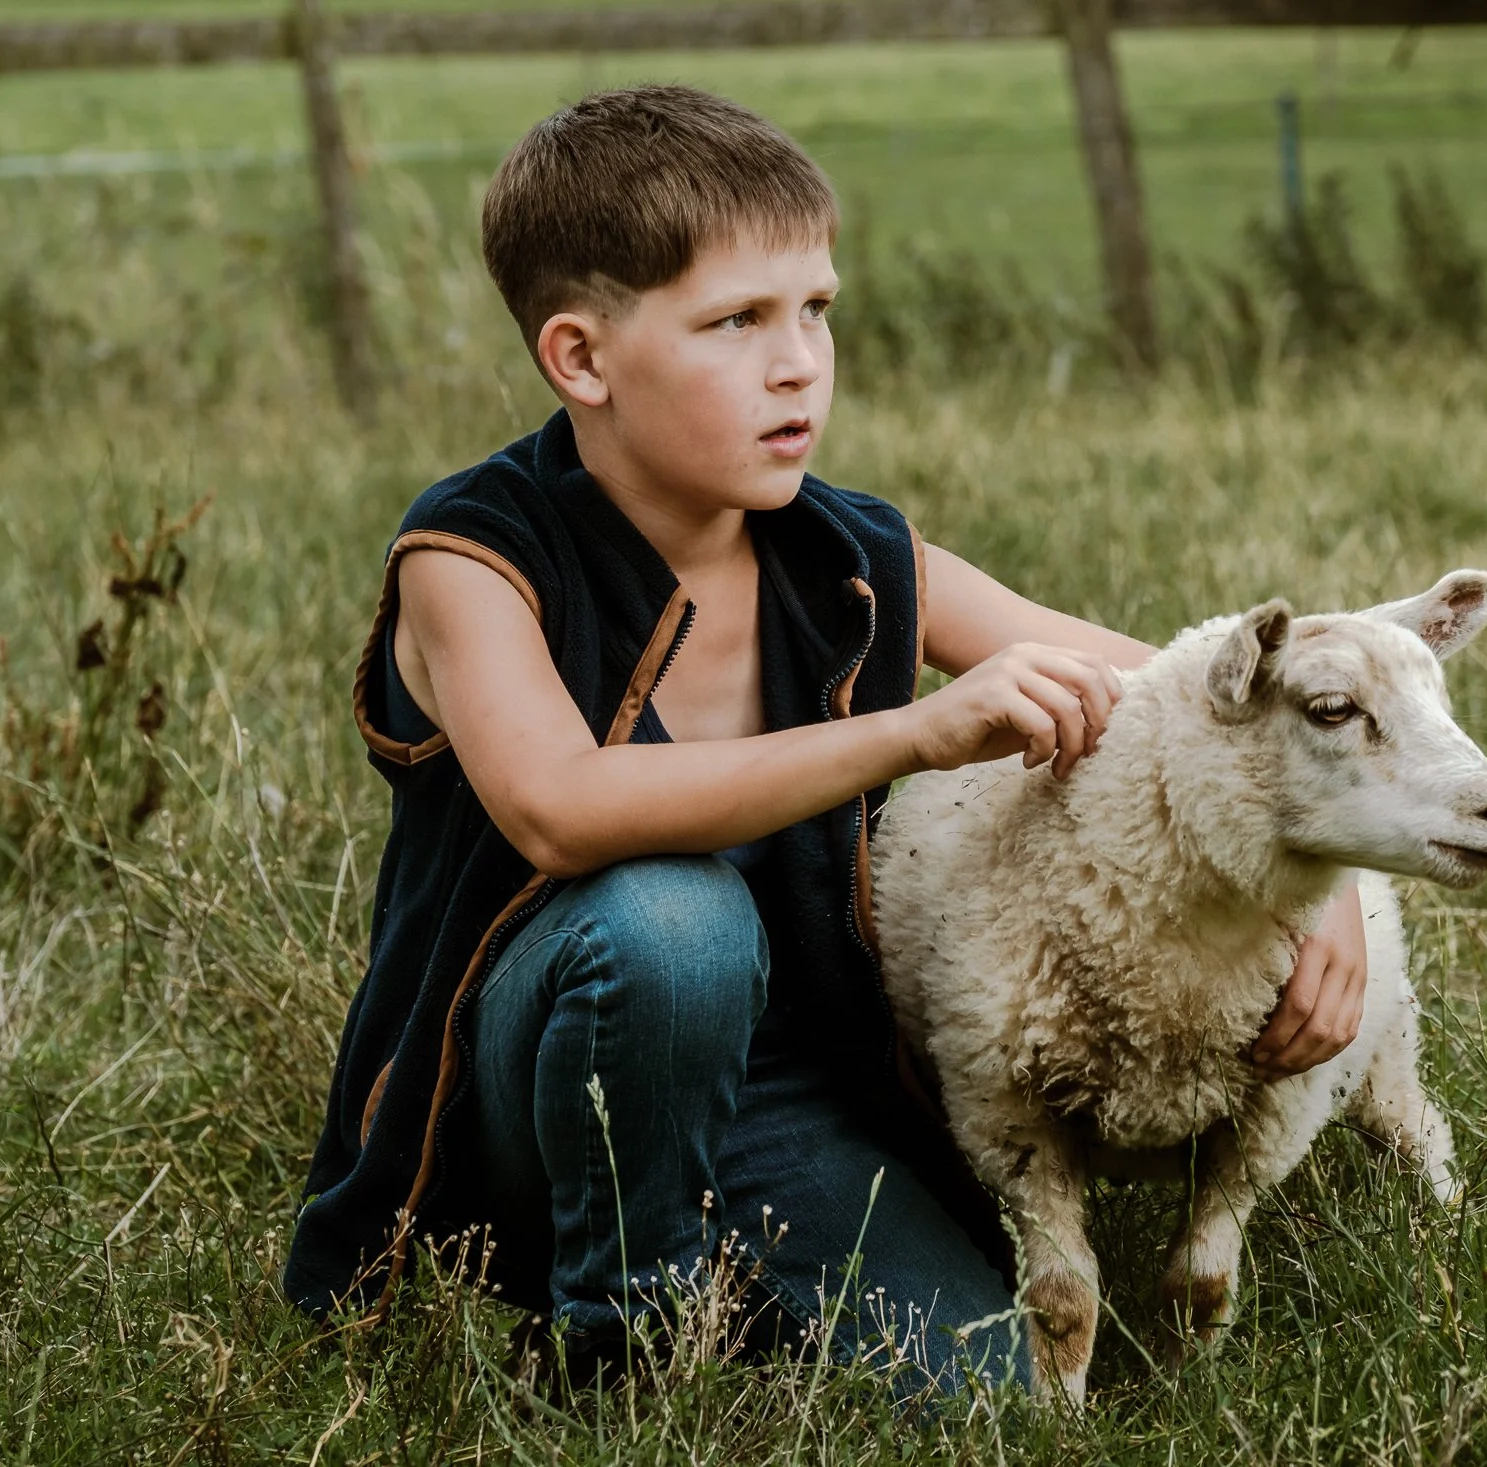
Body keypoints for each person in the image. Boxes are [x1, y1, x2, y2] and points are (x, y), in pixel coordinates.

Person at [282, 84, 1369, 1395]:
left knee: (985, 1397)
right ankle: (621, 1345)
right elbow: (557, 807)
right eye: (736, 321)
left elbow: (1190, 696)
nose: (799, 362)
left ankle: (734, 1271)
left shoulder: (848, 550)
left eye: (818, 310)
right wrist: (909, 733)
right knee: (674, 922)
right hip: (513, 1104)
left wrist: (1336, 888)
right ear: (581, 358)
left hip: (782, 1090)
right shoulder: (476, 554)